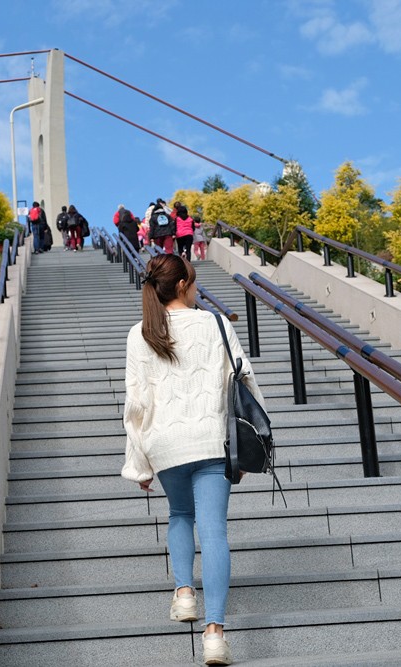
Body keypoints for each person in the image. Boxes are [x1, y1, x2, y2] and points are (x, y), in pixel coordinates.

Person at [121, 253, 265, 666]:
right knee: (214, 531)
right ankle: (215, 634)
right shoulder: (215, 324)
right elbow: (245, 381)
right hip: (211, 440)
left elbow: (137, 404)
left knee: (180, 514)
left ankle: (185, 594)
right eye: (195, 281)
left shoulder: (140, 333)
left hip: (166, 445)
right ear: (183, 284)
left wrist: (140, 462)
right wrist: (252, 441)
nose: (197, 287)